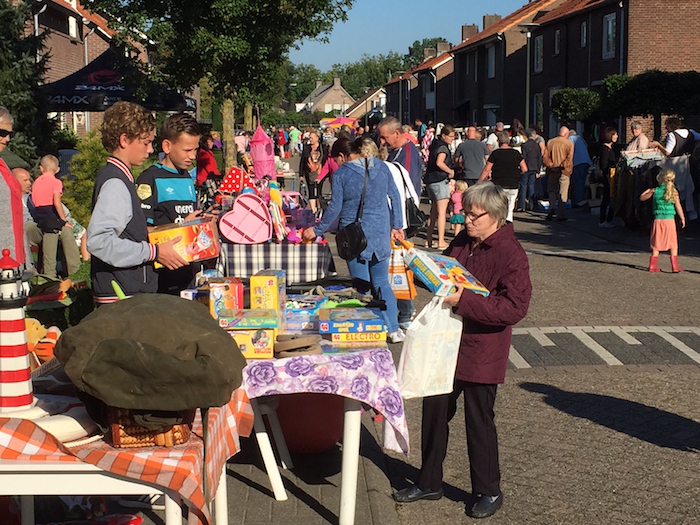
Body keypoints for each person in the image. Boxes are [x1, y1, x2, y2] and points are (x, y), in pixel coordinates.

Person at [393, 181, 532, 520]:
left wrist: (464, 301)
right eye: (465, 214)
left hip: (482, 347)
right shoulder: (463, 241)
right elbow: (443, 272)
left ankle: (488, 490)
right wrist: (412, 258)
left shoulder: (511, 254)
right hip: (447, 342)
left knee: (479, 421)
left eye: (474, 215)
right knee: (435, 411)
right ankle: (429, 481)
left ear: (495, 216)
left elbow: (513, 308)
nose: (466, 221)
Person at [303, 137, 406, 343]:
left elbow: (335, 208)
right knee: (382, 283)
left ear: (342, 156)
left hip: (354, 235)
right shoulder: (382, 167)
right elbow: (395, 196)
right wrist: (397, 225)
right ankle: (393, 328)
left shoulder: (342, 174)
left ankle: (371, 326)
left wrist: (317, 229)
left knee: (361, 287)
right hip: (380, 231)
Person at [87, 101, 185, 305]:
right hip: (121, 295)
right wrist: (154, 252)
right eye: (145, 142)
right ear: (124, 140)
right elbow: (99, 241)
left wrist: (180, 227)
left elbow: (130, 233)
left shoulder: (120, 177)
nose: (150, 150)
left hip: (126, 291)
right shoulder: (115, 182)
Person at [137, 113, 206, 295]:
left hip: (188, 271)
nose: (192, 156)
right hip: (162, 276)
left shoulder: (187, 177)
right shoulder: (149, 178)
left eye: (195, 150)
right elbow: (142, 230)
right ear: (167, 146)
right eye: (186, 150)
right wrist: (183, 226)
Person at [379, 142, 421, 330]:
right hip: (404, 225)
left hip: (389, 226)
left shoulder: (380, 171)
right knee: (403, 271)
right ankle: (405, 313)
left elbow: (388, 199)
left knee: (384, 273)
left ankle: (389, 314)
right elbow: (412, 193)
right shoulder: (399, 168)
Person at [30, 155, 81, 278]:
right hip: (51, 215)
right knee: (50, 247)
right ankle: (53, 274)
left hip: (39, 215)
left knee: (47, 245)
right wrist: (63, 221)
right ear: (57, 170)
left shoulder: (36, 182)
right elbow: (57, 202)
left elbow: (35, 201)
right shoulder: (56, 182)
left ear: (41, 169)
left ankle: (48, 275)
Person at [640, 169, 685, 273]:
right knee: (673, 244)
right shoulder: (674, 192)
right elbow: (678, 206)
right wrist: (682, 218)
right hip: (669, 220)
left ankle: (652, 265)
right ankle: (674, 266)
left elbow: (642, 198)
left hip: (658, 220)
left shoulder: (655, 191)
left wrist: (648, 190)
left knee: (656, 244)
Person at [478, 131, 527, 223]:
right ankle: (509, 222)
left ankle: (499, 222)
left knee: (498, 205)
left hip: (499, 184)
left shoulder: (495, 153)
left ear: (498, 141)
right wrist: (518, 173)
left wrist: (479, 182)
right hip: (513, 183)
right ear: (508, 141)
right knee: (510, 205)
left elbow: (487, 169)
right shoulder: (516, 153)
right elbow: (525, 168)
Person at [424, 125, 456, 249]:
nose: (452, 139)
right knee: (442, 212)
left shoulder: (434, 144)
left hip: (430, 180)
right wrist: (450, 171)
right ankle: (441, 241)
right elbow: (439, 162)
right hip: (440, 179)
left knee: (433, 211)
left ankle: (429, 239)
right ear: (444, 135)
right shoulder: (443, 147)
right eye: (451, 136)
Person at [378, 116, 422, 197]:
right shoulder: (393, 150)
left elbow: (407, 184)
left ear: (397, 133)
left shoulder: (408, 154)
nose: (382, 142)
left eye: (384, 137)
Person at [544, 126, 574, 221]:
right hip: (564, 171)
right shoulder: (569, 144)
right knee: (563, 192)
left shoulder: (550, 142)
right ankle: (561, 214)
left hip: (552, 171)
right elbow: (569, 159)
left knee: (552, 191)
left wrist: (552, 165)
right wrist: (561, 165)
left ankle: (551, 207)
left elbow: (545, 157)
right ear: (566, 134)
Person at [299, 129, 327, 214]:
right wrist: (301, 174)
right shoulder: (306, 148)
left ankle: (319, 210)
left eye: (312, 138)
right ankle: (313, 212)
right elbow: (302, 161)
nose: (310, 139)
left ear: (317, 138)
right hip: (309, 173)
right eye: (309, 138)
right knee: (311, 191)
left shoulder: (323, 147)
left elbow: (326, 161)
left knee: (318, 192)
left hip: (320, 173)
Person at [518, 128, 543, 212]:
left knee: (523, 186)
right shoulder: (537, 145)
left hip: (526, 167)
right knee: (531, 185)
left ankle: (522, 206)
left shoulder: (524, 145)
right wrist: (538, 170)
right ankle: (531, 205)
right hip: (534, 167)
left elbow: (523, 157)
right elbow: (539, 158)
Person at [599, 127, 619, 228]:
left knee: (610, 197)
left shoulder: (611, 148)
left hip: (611, 176)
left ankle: (608, 219)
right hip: (608, 177)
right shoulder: (605, 149)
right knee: (607, 198)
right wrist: (612, 166)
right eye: (614, 134)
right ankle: (603, 220)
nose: (616, 136)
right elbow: (603, 165)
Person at [568, 129, 592, 206]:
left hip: (578, 162)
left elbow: (569, 150)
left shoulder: (570, 139)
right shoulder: (581, 139)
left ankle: (578, 201)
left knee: (577, 182)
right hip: (586, 161)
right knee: (582, 182)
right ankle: (581, 200)